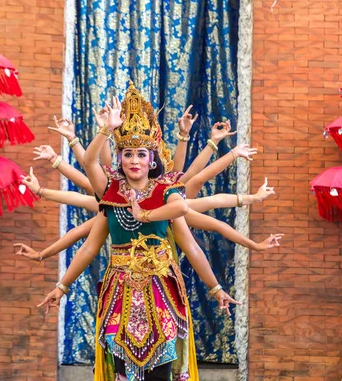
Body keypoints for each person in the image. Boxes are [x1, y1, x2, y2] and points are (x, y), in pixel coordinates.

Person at [32, 83, 282, 381]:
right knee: (122, 370)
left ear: (152, 160)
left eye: (141, 154)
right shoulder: (110, 194)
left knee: (160, 367)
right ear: (120, 158)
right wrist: (61, 287)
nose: (134, 161)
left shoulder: (167, 192)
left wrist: (216, 289)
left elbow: (192, 246)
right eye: (127, 154)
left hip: (161, 289)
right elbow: (88, 245)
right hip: (119, 292)